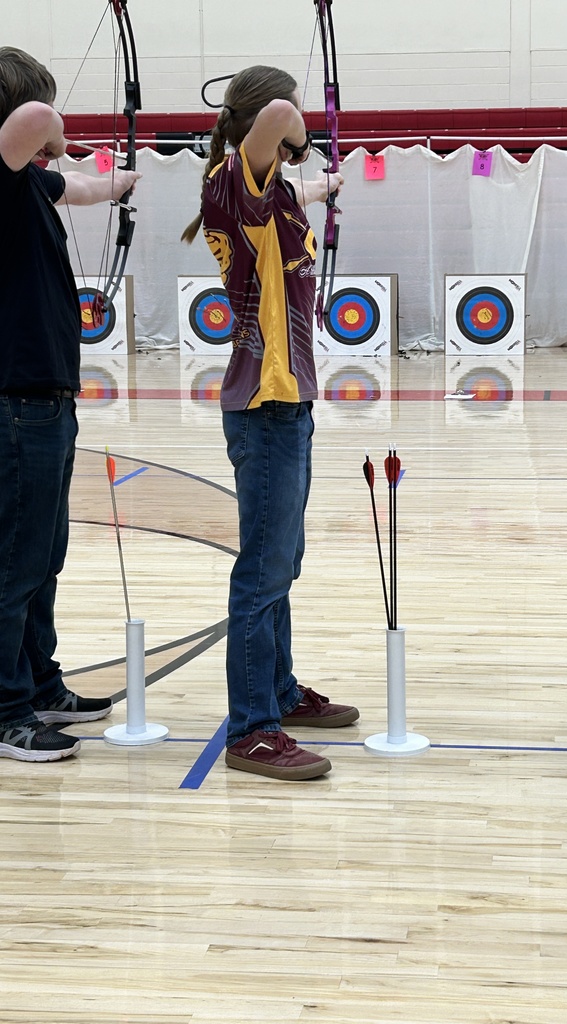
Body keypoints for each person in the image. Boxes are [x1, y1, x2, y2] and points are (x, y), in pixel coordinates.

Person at [182, 65, 357, 781]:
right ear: (265, 125)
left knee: (284, 564)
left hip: (291, 404)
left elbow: (289, 188)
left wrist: (317, 182)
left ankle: (279, 692)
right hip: (264, 407)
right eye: (285, 125)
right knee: (260, 573)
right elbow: (278, 109)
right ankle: (252, 729)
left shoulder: (270, 193)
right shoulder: (234, 181)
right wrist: (299, 130)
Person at [0, 47, 141, 762]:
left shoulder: (30, 184)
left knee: (44, 554)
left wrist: (118, 181)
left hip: (47, 397)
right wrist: (54, 127)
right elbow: (36, 119)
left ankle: (42, 683)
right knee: (16, 562)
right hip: (16, 400)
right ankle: (6, 710)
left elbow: (80, 189)